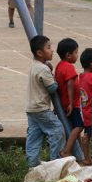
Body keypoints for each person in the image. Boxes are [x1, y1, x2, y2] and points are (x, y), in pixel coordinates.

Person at [26, 35, 66, 168]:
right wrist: (54, 77)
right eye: (49, 47)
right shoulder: (44, 69)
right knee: (57, 130)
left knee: (34, 136)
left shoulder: (35, 66)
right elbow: (52, 88)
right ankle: (55, 162)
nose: (52, 50)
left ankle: (32, 164)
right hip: (41, 108)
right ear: (39, 52)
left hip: (31, 109)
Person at [54, 38, 86, 162]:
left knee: (73, 128)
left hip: (65, 103)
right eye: (76, 52)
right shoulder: (68, 67)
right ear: (68, 55)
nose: (77, 55)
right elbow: (70, 85)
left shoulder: (59, 66)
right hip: (72, 104)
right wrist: (72, 103)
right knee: (79, 126)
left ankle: (78, 154)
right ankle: (66, 151)